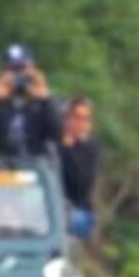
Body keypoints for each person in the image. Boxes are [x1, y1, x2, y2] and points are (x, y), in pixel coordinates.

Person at [0, 43, 60, 157]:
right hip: (0, 169)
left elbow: (57, 133)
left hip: (35, 166)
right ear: (2, 72)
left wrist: (45, 99)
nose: (17, 75)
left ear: (33, 70)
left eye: (22, 69)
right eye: (12, 69)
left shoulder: (42, 102)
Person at [57, 96, 99, 240]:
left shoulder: (91, 148)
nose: (80, 123)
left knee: (76, 221)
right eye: (76, 117)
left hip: (76, 206)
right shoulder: (54, 143)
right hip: (49, 202)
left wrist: (67, 151)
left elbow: (81, 184)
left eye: (85, 119)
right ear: (66, 119)